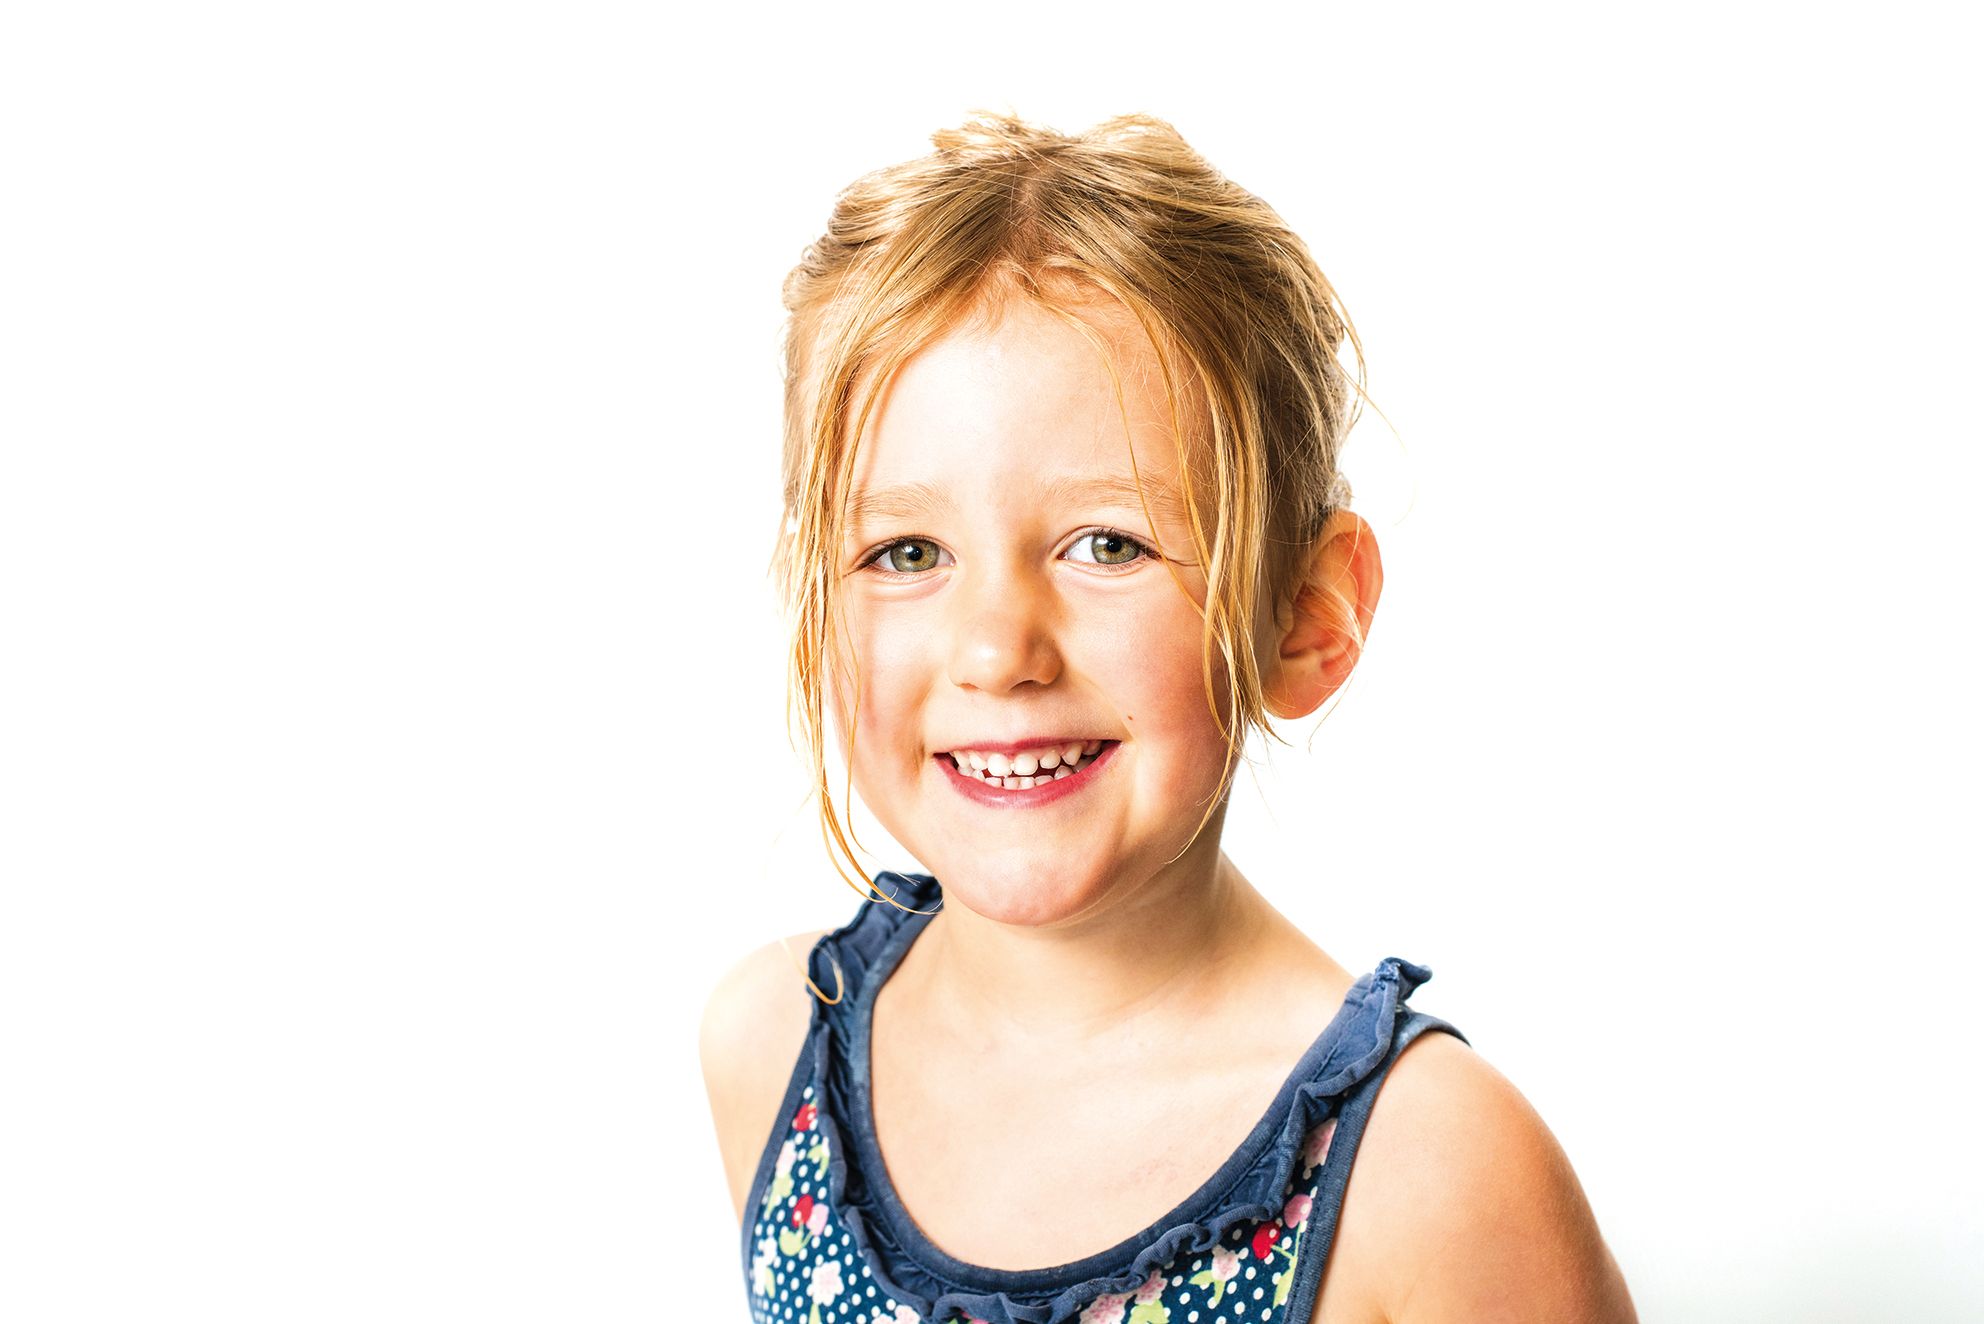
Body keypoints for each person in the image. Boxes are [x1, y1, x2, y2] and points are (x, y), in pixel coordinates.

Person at [700, 110, 1636, 1324]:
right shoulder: (773, 1044)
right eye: (907, 551)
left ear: (1304, 616)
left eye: (1107, 544)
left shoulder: (1429, 1173)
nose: (996, 650)